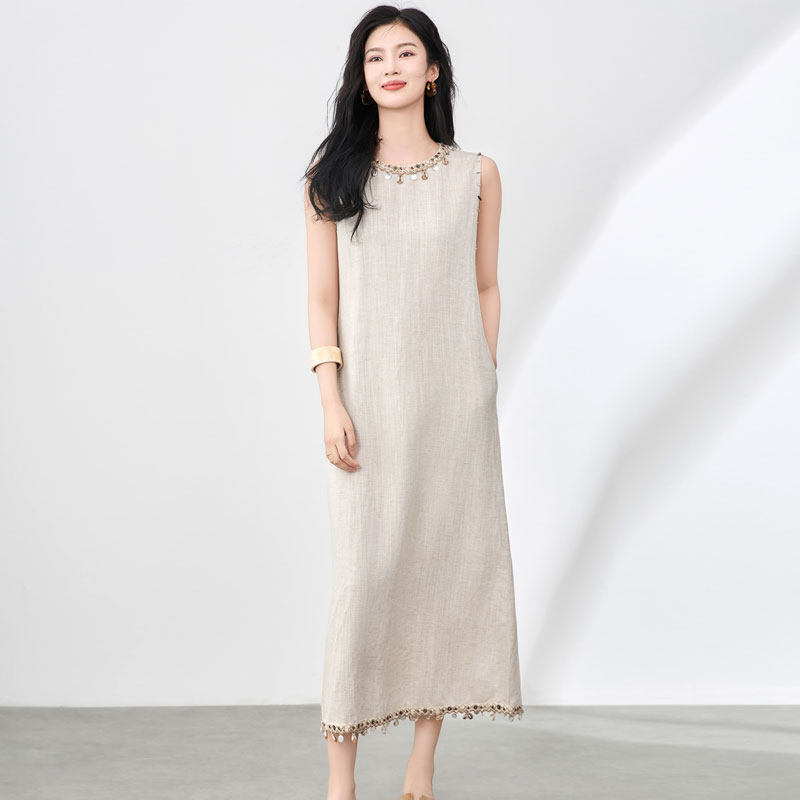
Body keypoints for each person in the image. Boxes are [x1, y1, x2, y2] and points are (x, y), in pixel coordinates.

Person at [303, 6, 523, 800]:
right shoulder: (332, 181)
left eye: (405, 53)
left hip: (455, 408)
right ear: (360, 76)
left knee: (443, 571)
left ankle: (421, 768)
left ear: (433, 71)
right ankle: (341, 781)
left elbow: (486, 284)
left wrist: (482, 373)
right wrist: (331, 400)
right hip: (368, 408)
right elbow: (322, 303)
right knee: (364, 579)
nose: (390, 67)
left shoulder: (476, 175)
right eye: (374, 57)